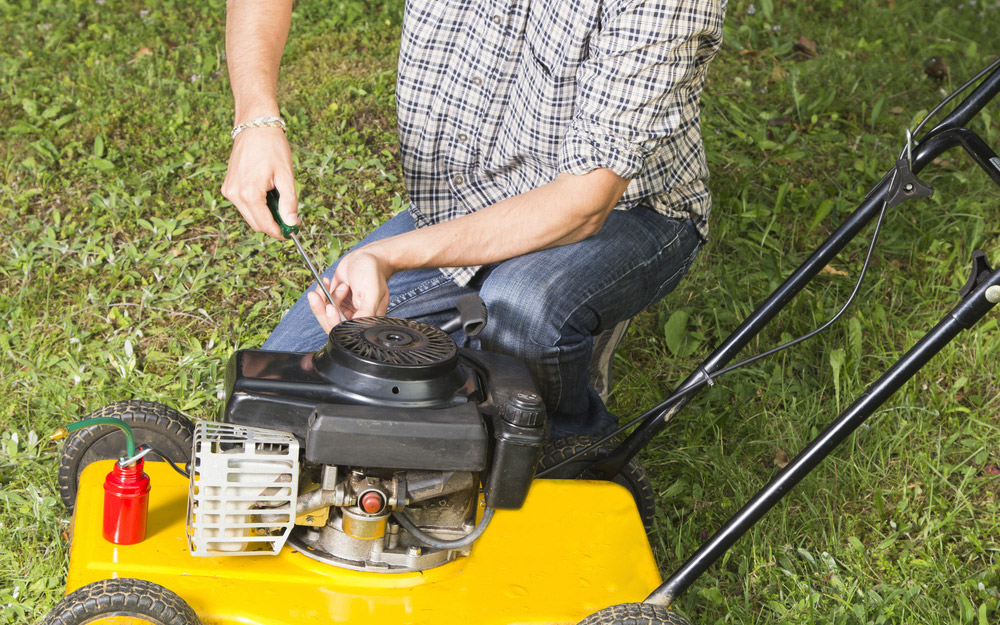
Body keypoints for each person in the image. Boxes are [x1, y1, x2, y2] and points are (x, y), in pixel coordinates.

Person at [222, 0, 727, 438]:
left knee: (523, 311)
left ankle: (573, 451)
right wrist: (256, 119)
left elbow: (584, 202)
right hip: (467, 202)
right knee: (280, 401)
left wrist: (387, 257)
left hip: (626, 208)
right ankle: (482, 342)